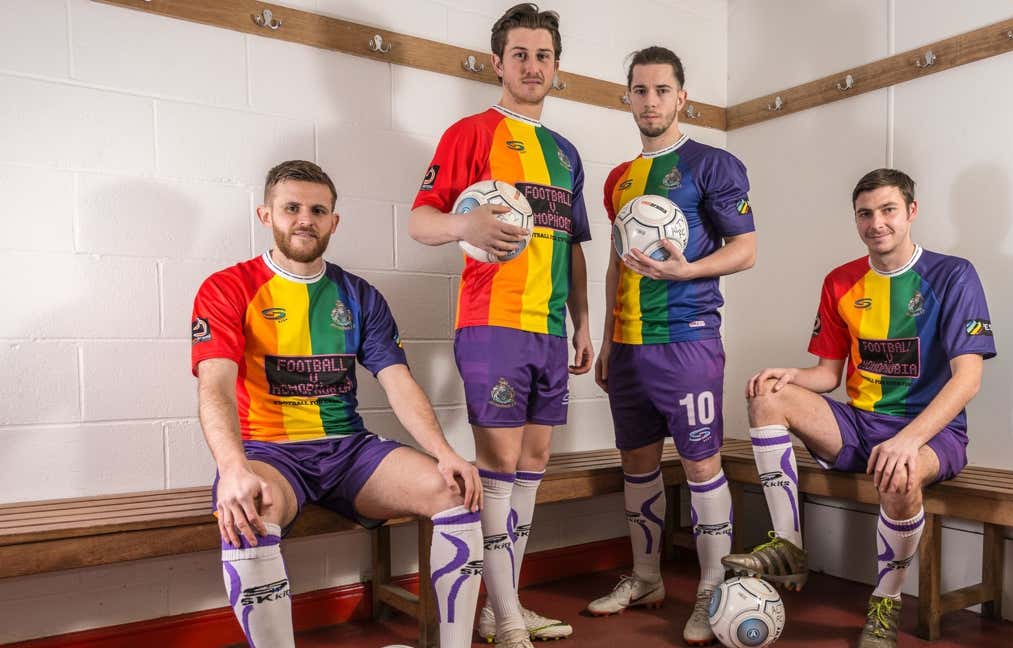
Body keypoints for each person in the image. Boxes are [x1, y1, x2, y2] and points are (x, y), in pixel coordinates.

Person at [192, 160, 483, 648]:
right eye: (291, 208)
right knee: (248, 508)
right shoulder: (227, 287)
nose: (304, 218)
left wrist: (446, 451)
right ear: (267, 215)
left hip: (348, 451)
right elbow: (214, 387)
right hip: (270, 452)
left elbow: (399, 382)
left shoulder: (359, 295)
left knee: (453, 488)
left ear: (333, 221)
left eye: (317, 210)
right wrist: (232, 467)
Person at [722, 168, 996, 648]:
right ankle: (788, 546)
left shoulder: (953, 275)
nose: (877, 223)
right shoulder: (840, 281)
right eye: (865, 214)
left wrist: (909, 440)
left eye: (888, 210)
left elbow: (968, 377)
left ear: (911, 212)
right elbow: (828, 374)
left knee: (901, 473)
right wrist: (791, 376)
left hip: (932, 433)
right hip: (857, 424)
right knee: (765, 395)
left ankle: (886, 602)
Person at [407, 4, 592, 646]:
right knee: (499, 462)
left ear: (556, 67)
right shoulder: (470, 134)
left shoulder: (567, 154)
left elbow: (572, 247)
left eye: (543, 55)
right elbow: (421, 220)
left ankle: (499, 603)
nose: (532, 66)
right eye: (520, 54)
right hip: (491, 324)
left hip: (548, 329)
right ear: (498, 63)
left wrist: (583, 323)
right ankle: (508, 615)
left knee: (536, 460)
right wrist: (467, 225)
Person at [585, 46, 757, 646]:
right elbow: (615, 265)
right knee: (636, 464)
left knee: (701, 464)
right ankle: (647, 576)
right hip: (630, 347)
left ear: (682, 96)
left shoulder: (714, 163)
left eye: (662, 90)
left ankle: (712, 588)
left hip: (688, 342)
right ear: (626, 97)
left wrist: (685, 273)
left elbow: (745, 249)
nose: (651, 100)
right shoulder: (618, 179)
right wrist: (609, 339)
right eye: (640, 90)